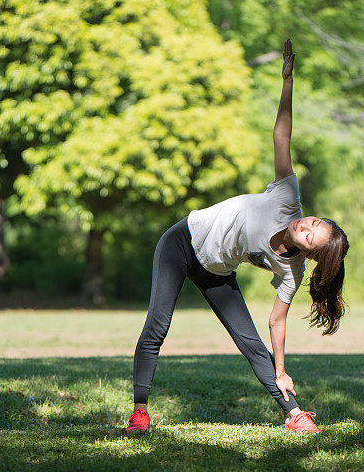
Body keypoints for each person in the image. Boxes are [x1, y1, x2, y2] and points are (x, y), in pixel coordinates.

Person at [125, 38, 349, 435]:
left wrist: (282, 370)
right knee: (158, 326)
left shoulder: (291, 272)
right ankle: (140, 410)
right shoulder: (286, 198)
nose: (306, 227)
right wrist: (287, 81)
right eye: (314, 222)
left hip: (215, 270)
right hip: (180, 244)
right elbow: (282, 137)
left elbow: (276, 322)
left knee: (249, 341)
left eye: (313, 237)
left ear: (310, 254)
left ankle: (293, 413)